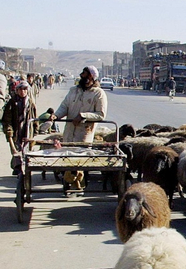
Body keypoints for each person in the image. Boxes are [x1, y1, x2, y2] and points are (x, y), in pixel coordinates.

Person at [48, 65, 107, 195]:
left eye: (85, 74)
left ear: (92, 77)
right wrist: (56, 115)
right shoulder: (73, 90)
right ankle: (70, 183)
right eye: (82, 74)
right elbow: (64, 106)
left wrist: (84, 116)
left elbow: (101, 114)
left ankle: (77, 185)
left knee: (79, 159)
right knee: (67, 157)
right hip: (69, 131)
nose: (82, 76)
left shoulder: (98, 93)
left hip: (84, 132)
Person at [2, 81, 36, 175]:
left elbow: (34, 116)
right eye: (20, 89)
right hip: (16, 130)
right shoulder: (12, 102)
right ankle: (17, 168)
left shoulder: (30, 102)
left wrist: (35, 130)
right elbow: (7, 119)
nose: (23, 91)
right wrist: (9, 131)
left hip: (27, 129)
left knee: (26, 150)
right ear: (17, 90)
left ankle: (25, 168)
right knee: (16, 149)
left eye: (25, 89)